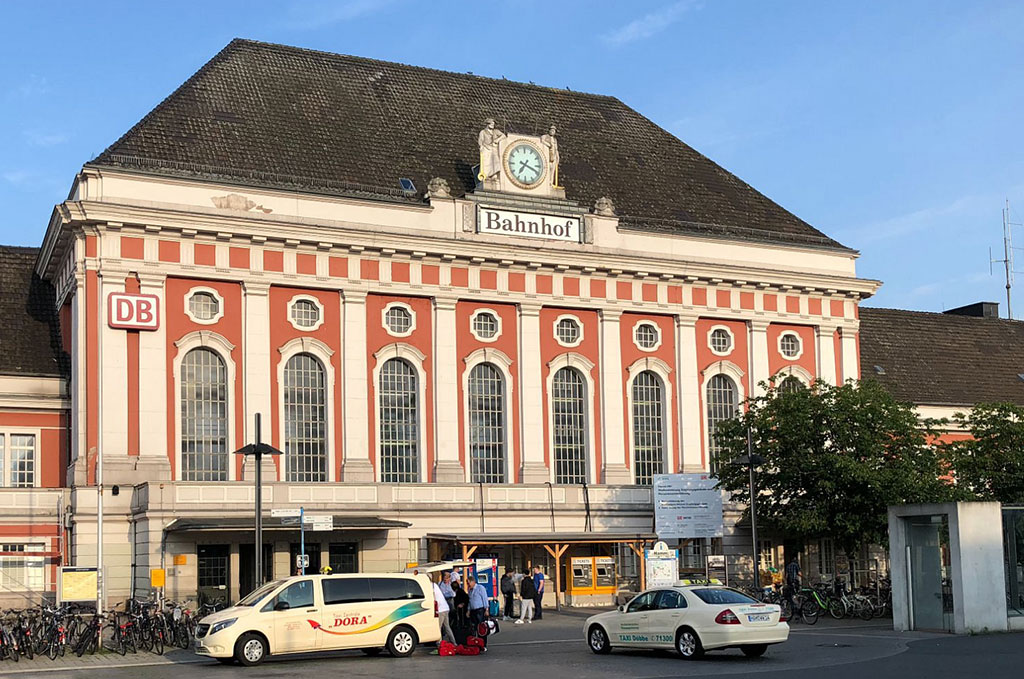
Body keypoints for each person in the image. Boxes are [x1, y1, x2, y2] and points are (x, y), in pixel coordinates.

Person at [466, 576, 489, 650]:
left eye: (469, 583)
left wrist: (486, 609)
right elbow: (469, 601)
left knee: (481, 628)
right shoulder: (470, 590)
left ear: (473, 582)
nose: (468, 585)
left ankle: (483, 644)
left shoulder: (480, 588)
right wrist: (468, 610)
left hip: (480, 609)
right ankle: (475, 643)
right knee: (473, 627)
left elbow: (484, 598)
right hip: (473, 610)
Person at [432, 576, 455, 644]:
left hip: (441, 609)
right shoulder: (436, 585)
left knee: (438, 627)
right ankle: (454, 642)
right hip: (446, 607)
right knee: (447, 627)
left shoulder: (432, 586)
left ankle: (439, 643)